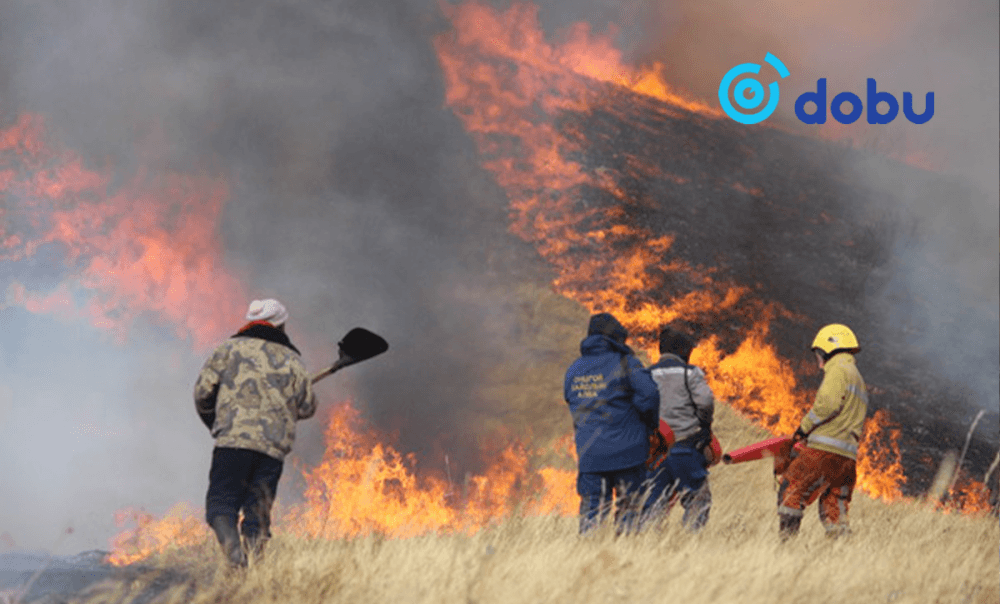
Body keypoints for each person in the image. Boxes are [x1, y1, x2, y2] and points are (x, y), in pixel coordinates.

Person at [194, 298, 317, 566]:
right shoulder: (292, 360)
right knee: (257, 515)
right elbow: (307, 407)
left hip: (233, 443)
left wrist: (215, 423)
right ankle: (253, 576)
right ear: (281, 325)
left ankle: (233, 554)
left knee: (221, 505)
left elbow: (203, 392)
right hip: (271, 450)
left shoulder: (228, 350)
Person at [564, 312, 660, 534]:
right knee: (629, 510)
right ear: (617, 338)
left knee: (590, 516)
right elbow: (650, 396)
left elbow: (572, 403)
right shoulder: (626, 363)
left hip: (591, 456)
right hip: (628, 454)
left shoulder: (574, 370)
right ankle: (625, 557)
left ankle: (587, 560)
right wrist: (649, 426)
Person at [777, 323, 868, 539]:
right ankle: (841, 551)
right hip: (847, 459)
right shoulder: (858, 378)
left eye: (819, 353)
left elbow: (827, 405)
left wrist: (803, 429)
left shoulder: (838, 371)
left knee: (792, 489)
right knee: (834, 503)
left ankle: (785, 547)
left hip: (823, 451)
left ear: (830, 349)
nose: (819, 361)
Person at [643, 325, 716, 532]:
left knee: (654, 501)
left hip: (655, 453)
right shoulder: (690, 374)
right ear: (684, 351)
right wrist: (704, 425)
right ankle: (690, 541)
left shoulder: (647, 375)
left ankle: (645, 545)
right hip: (685, 449)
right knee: (698, 499)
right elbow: (705, 401)